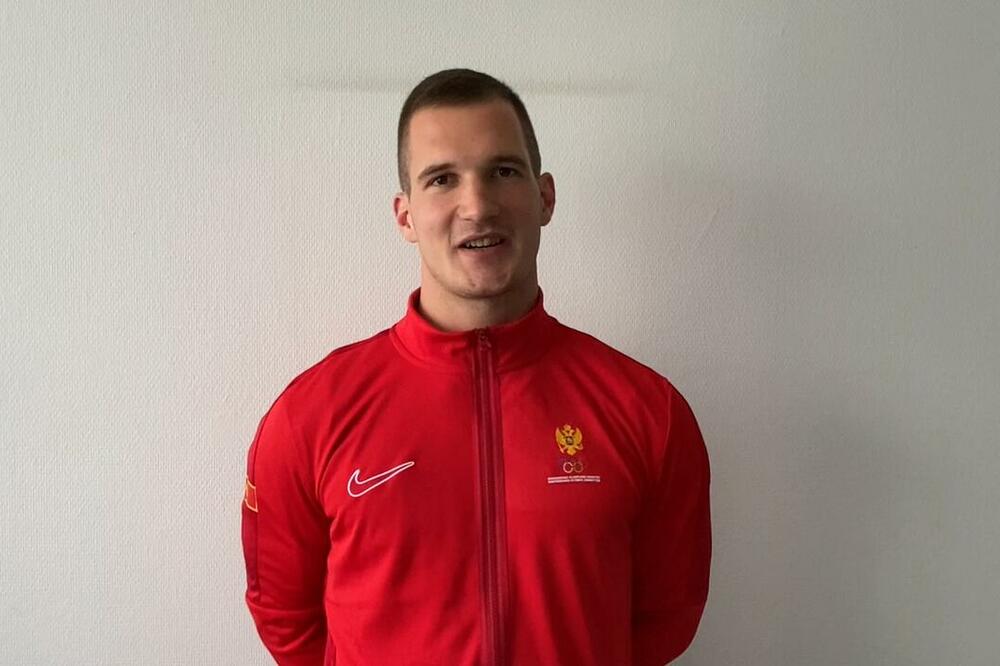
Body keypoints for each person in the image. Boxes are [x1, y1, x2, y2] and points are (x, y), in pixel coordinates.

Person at [241, 68, 712, 666]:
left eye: (503, 172)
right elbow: (287, 621)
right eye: (442, 179)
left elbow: (666, 618)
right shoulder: (310, 416)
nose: (478, 205)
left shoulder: (647, 410)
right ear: (405, 216)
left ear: (544, 197)